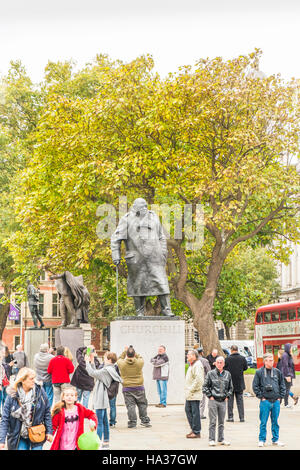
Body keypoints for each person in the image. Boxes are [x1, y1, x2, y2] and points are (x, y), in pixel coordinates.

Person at [111, 198, 174, 317]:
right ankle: (139, 311)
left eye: (146, 206)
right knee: (138, 284)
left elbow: (161, 236)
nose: (144, 208)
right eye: (141, 207)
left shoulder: (153, 217)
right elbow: (116, 238)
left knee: (161, 282)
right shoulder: (127, 219)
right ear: (135, 207)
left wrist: (163, 252)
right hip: (136, 259)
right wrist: (116, 255)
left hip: (155, 257)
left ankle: (166, 309)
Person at [0, 367, 53, 450]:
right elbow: (5, 419)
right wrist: (1, 440)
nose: (34, 381)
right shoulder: (12, 395)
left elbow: (47, 412)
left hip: (37, 432)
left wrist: (49, 431)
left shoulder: (40, 392)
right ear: (23, 380)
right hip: (19, 435)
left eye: (34, 378)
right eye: (31, 379)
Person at [86, 350, 122, 449]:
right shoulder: (109, 369)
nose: (103, 360)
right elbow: (96, 373)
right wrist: (92, 361)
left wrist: (86, 361)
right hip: (103, 398)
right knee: (105, 421)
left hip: (101, 398)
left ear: (109, 360)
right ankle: (106, 442)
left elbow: (91, 373)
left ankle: (98, 443)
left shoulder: (106, 370)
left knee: (99, 422)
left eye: (105, 358)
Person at [252, 352, 286, 447]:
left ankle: (276, 439)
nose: (272, 362)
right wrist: (261, 397)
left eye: (272, 360)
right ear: (265, 361)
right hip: (265, 401)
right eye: (270, 360)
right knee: (263, 422)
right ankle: (261, 439)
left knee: (275, 422)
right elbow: (255, 386)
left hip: (276, 401)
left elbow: (282, 385)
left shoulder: (277, 372)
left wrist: (280, 397)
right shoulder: (259, 372)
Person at [50, 384, 97, 450]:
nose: (69, 397)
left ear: (76, 398)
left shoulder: (80, 409)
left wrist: (93, 422)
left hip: (76, 443)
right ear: (63, 397)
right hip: (63, 443)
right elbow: (53, 425)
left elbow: (91, 414)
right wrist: (50, 434)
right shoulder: (60, 411)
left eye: (72, 395)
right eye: (67, 395)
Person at [117, 346, 151, 429]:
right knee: (142, 404)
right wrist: (134, 352)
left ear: (127, 355)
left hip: (127, 388)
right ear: (134, 354)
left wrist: (125, 351)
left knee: (130, 406)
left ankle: (132, 422)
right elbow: (140, 357)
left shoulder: (122, 364)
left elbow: (119, 358)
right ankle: (144, 421)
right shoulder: (140, 363)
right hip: (139, 387)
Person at [203, 356, 233, 446]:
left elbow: (231, 387)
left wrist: (227, 396)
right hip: (213, 400)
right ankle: (211, 439)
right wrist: (210, 396)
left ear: (224, 364)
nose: (219, 364)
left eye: (221, 362)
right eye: (218, 362)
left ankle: (221, 439)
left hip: (223, 401)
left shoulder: (228, 374)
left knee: (221, 422)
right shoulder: (210, 373)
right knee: (213, 421)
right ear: (215, 363)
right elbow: (205, 386)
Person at [225, 345, 248, 422]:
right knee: (240, 401)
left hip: (230, 382)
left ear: (231, 350)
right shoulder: (242, 358)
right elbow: (246, 368)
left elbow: (225, 369)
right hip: (239, 382)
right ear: (237, 350)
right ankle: (242, 417)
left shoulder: (227, 359)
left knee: (230, 401)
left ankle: (230, 417)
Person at [184, 350, 203, 439]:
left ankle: (196, 431)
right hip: (190, 394)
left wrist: (191, 390)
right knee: (188, 410)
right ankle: (194, 429)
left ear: (194, 356)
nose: (187, 356)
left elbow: (199, 380)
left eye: (189, 354)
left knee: (195, 413)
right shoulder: (192, 365)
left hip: (194, 394)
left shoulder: (197, 365)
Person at [197, 348, 211, 419]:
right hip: (202, 381)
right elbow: (209, 371)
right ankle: (200, 414)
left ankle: (196, 413)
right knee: (202, 399)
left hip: (195, 381)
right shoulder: (204, 361)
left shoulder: (193, 360)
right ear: (201, 353)